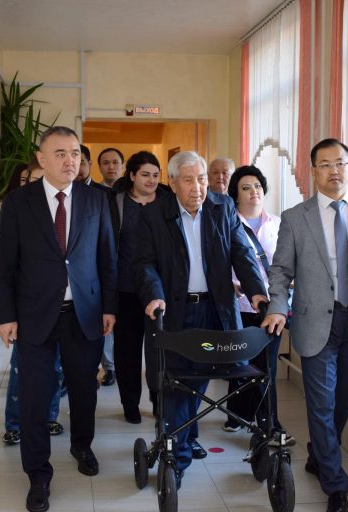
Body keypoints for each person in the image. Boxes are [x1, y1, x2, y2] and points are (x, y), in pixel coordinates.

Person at [261, 138, 348, 512]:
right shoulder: (295, 217)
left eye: (340, 163)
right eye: (325, 164)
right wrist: (277, 307)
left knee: (342, 401)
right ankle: (336, 486)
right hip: (313, 321)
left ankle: (319, 455)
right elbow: (280, 271)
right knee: (321, 404)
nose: (334, 170)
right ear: (313, 171)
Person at [0, 126, 117, 512]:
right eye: (60, 153)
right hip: (33, 315)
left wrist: (109, 307)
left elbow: (107, 257)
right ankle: (38, 475)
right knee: (34, 397)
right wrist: (5, 316)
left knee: (84, 390)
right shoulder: (19, 203)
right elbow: (5, 265)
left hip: (84, 313)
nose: (70, 161)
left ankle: (82, 446)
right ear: (42, 159)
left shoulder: (96, 200)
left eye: (75, 153)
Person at [134, 151, 267, 483]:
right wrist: (154, 294)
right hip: (176, 310)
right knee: (178, 380)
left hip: (216, 310)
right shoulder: (153, 214)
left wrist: (257, 292)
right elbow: (144, 263)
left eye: (202, 179)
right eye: (189, 180)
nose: (198, 187)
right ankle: (178, 457)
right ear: (172, 182)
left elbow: (242, 253)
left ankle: (185, 434)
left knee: (202, 375)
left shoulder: (223, 207)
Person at [221, 165, 293, 445]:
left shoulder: (278, 224)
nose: (254, 192)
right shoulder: (227, 223)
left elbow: (286, 264)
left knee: (266, 368)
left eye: (258, 186)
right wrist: (232, 284)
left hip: (270, 309)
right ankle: (237, 414)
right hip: (238, 306)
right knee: (240, 363)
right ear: (235, 194)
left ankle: (268, 423)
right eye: (246, 187)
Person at [0, 161, 67, 445]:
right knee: (21, 369)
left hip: (58, 303)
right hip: (27, 304)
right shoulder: (12, 208)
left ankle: (50, 416)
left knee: (56, 367)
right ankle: (15, 422)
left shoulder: (61, 210)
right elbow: (7, 264)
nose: (35, 185)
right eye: (29, 179)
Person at [108, 151, 170, 424]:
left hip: (159, 292)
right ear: (132, 175)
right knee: (127, 352)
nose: (151, 180)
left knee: (159, 350)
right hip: (125, 289)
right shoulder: (117, 202)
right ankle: (130, 403)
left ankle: (159, 402)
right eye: (145, 174)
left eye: (155, 175)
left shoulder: (167, 202)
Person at [96, 147, 125, 386]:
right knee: (105, 316)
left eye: (115, 162)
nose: (111, 167)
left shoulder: (130, 194)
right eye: (106, 163)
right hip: (101, 265)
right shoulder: (93, 194)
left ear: (123, 166)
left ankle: (120, 365)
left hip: (127, 266)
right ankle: (109, 367)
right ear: (99, 167)